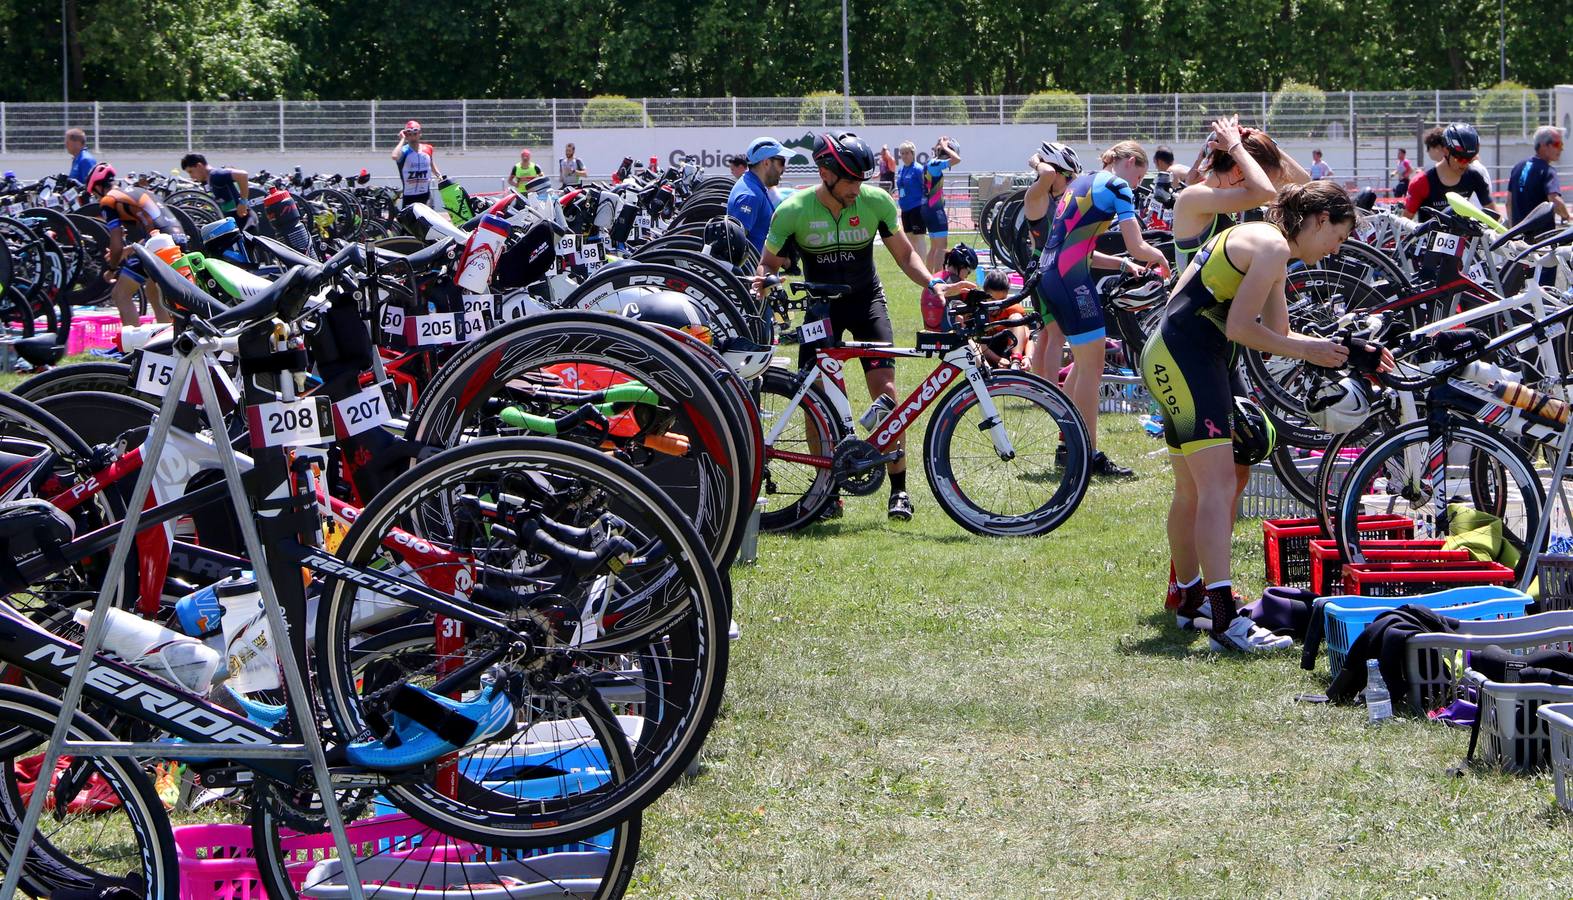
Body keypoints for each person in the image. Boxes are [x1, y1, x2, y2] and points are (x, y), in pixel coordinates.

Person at [1140, 181, 1393, 651]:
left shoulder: (1266, 240)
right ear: (1319, 221)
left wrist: (1349, 351)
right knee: (1215, 487)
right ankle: (1223, 622)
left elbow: (1280, 332)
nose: (1337, 249)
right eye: (1338, 236)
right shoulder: (1273, 248)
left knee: (1193, 489)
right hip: (1189, 359)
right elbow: (1242, 328)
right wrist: (1309, 349)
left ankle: (1192, 600)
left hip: (1174, 355)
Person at [755, 131, 974, 521]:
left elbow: (906, 254)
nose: (859, 188)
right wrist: (766, 284)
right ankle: (827, 492)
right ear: (825, 173)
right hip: (822, 309)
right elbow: (768, 263)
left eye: (862, 180)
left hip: (866, 301)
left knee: (886, 392)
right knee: (814, 400)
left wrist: (935, 282)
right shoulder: (793, 209)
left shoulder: (876, 202)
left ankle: (899, 490)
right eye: (852, 180)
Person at [1034, 141, 1170, 478]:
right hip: (1071, 280)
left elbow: (1081, 249)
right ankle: (1089, 455)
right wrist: (1159, 258)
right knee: (1092, 370)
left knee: (1083, 367)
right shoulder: (1117, 186)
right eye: (1139, 176)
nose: (1137, 185)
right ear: (1126, 162)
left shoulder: (1082, 182)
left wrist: (1123, 265)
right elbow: (1137, 244)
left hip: (1053, 275)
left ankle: (1068, 447)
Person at [1170, 117, 1289, 272]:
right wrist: (1235, 146)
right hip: (1201, 296)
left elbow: (1303, 180)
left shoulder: (1222, 196)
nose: (1258, 183)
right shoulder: (1192, 197)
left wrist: (1266, 143)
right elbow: (1265, 192)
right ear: (1239, 171)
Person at [86, 163, 184, 327]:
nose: (97, 199)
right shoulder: (137, 191)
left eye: (94, 195)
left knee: (120, 293)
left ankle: (130, 348)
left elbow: (115, 244)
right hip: (177, 238)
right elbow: (156, 226)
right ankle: (165, 343)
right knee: (153, 292)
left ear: (97, 188)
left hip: (158, 243)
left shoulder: (109, 200)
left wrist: (111, 269)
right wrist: (129, 249)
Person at [1021, 141, 1080, 377]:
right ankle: (1053, 394)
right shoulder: (1037, 194)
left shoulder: (1059, 197)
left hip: (1051, 268)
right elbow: (1046, 172)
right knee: (1056, 334)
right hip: (1041, 268)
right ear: (1055, 172)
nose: (1071, 181)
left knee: (1046, 333)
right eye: (1068, 175)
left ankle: (1040, 389)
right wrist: (1038, 161)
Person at [1405, 123, 1496, 218]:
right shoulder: (1421, 182)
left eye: (1469, 159)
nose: (1465, 165)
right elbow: (1404, 224)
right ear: (1446, 151)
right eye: (1461, 159)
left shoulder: (1475, 176)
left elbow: (1494, 216)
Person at [726, 136, 793, 253]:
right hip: (753, 270)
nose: (784, 169)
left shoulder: (754, 187)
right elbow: (735, 245)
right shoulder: (750, 195)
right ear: (766, 162)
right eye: (781, 162)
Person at [1507, 126, 1569, 225]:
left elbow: (1509, 203)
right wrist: (1567, 216)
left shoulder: (1518, 167)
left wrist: (1512, 230)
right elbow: (1554, 200)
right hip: (1540, 237)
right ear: (1543, 146)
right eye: (1558, 144)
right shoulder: (1547, 171)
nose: (1561, 149)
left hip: (1518, 235)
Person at [920, 136, 962, 271]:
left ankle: (929, 279)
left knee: (934, 246)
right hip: (935, 210)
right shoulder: (935, 164)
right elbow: (957, 160)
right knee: (942, 247)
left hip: (928, 208)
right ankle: (938, 279)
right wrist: (944, 146)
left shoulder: (930, 163)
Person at [179, 153, 251, 224]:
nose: (191, 176)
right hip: (232, 219)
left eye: (191, 172)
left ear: (199, 166)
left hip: (244, 219)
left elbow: (243, 175)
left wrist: (243, 202)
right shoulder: (207, 181)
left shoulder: (215, 175)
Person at [390, 120, 441, 209]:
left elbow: (431, 163)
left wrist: (438, 174)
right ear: (406, 135)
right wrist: (402, 139)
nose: (412, 136)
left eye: (415, 133)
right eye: (409, 134)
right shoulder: (404, 151)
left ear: (420, 133)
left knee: (429, 222)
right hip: (409, 197)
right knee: (409, 223)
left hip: (425, 195)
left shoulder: (428, 148)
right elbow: (394, 156)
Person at [894, 141, 929, 260]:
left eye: (907, 153)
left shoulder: (918, 169)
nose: (904, 156)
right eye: (902, 153)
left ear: (913, 153)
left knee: (919, 237)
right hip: (905, 208)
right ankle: (914, 263)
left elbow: (926, 187)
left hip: (917, 207)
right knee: (909, 237)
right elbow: (901, 188)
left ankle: (922, 265)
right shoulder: (901, 170)